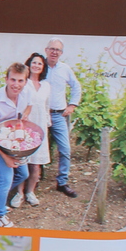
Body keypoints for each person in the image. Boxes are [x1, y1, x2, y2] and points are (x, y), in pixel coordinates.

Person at [0, 63, 36, 228]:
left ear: (25, 81)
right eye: (13, 80)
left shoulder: (26, 91)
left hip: (14, 139)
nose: (16, 84)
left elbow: (30, 104)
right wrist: (5, 157)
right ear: (6, 79)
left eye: (20, 81)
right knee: (6, 177)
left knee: (23, 174)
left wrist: (25, 114)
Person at [44, 37, 82, 197]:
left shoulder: (65, 69)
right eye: (52, 48)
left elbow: (76, 86)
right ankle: (34, 179)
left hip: (59, 115)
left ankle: (62, 182)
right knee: (37, 147)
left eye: (57, 50)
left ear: (61, 53)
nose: (54, 52)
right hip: (41, 115)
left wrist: (72, 105)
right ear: (46, 50)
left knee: (65, 149)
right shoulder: (39, 66)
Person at [18, 52, 53, 206]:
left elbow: (47, 106)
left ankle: (30, 192)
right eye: (34, 62)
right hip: (26, 126)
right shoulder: (24, 83)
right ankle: (19, 193)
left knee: (36, 163)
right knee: (22, 161)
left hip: (40, 127)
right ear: (29, 64)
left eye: (40, 63)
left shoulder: (46, 86)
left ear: (43, 67)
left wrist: (47, 124)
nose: (36, 66)